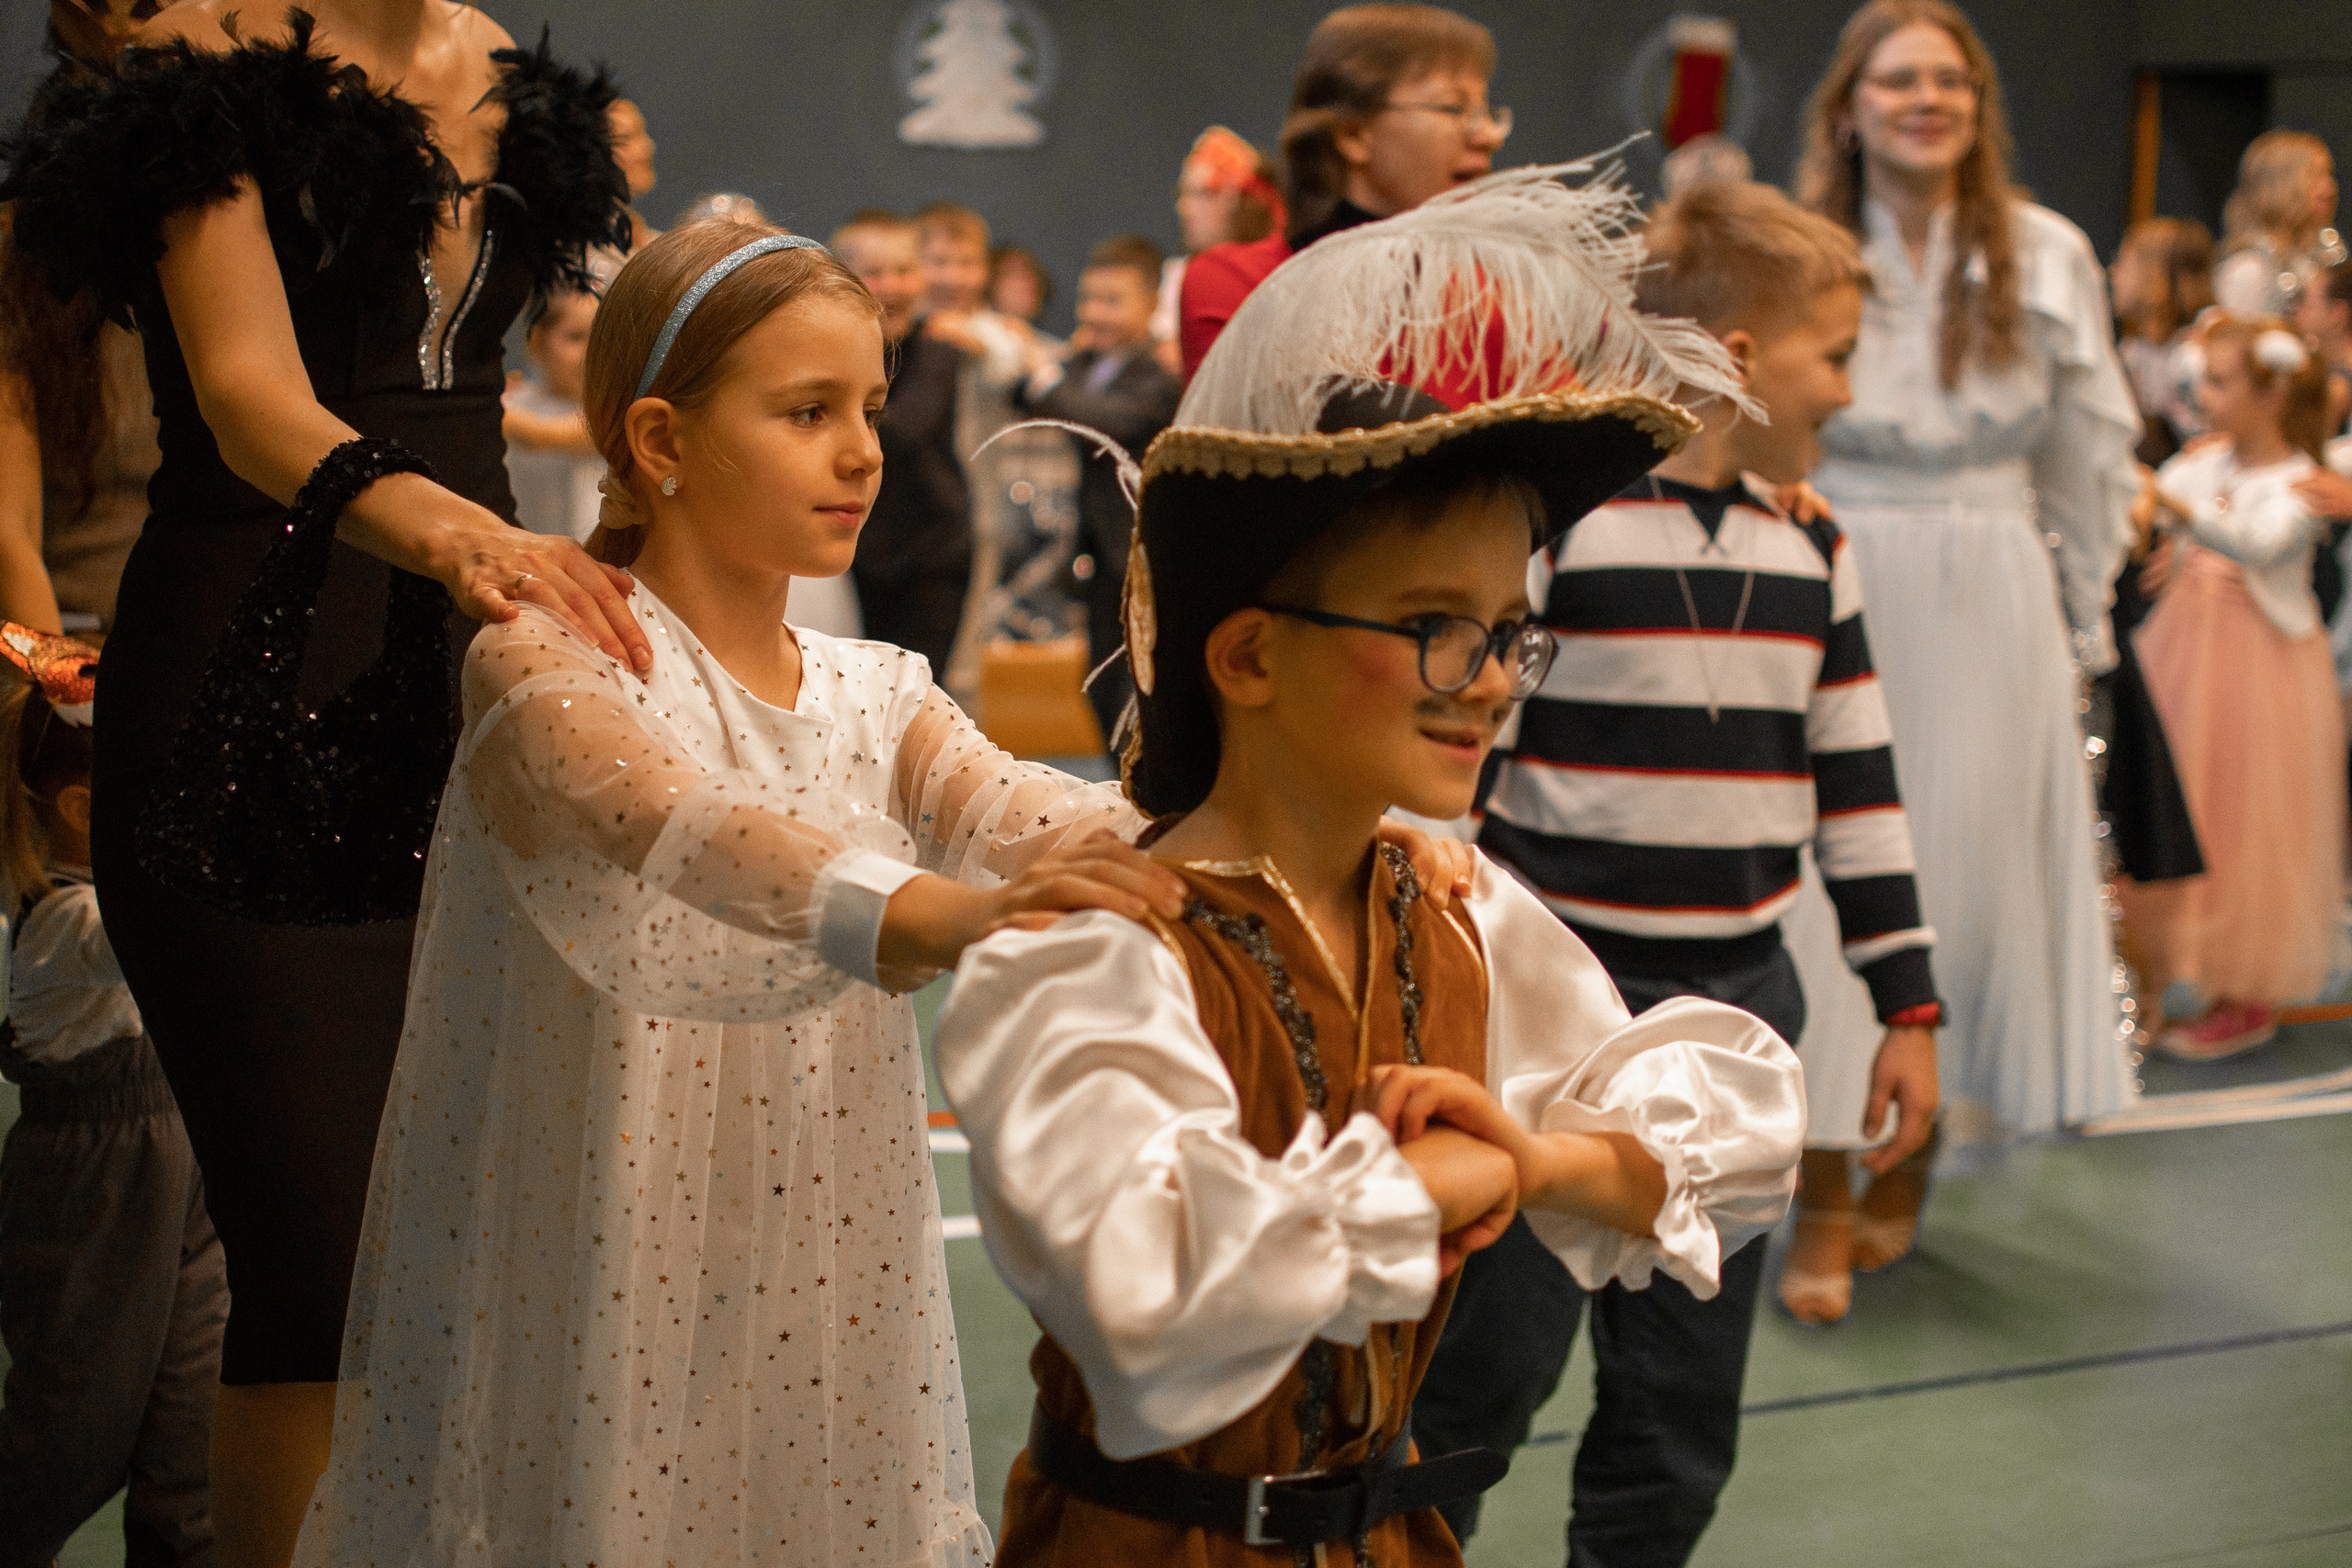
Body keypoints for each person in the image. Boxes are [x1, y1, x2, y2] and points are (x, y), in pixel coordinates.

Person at [935, 164, 1805, 1568]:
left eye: (1509, 630)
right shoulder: (1093, 949)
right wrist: (1449, 1185)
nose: (1491, 679)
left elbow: (1743, 1123)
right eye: (1433, 625)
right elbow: (1151, 1294)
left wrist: (1535, 1155)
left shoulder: (1452, 904)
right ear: (1249, 653)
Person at [1, 6, 649, 1562]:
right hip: (249, 691)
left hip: (486, 695)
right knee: (316, 1267)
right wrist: (476, 543)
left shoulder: (497, 61)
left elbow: (547, 363)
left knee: (470, 1259)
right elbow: (248, 398)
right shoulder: (198, 62)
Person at [1419, 182, 1937, 1568]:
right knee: (1484, 1368)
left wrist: (1909, 1005)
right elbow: (1463, 755)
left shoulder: (1813, 545)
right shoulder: (1565, 529)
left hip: (1736, 1011)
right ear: (1743, 360)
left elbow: (1861, 791)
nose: (1848, 388)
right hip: (1555, 1008)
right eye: (1835, 354)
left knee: (1681, 1397)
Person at [1785, 0, 2141, 1178]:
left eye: (1950, 80)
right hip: (1839, 565)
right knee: (1827, 860)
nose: (1926, 100)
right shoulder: (1804, 248)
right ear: (1849, 108)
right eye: (1898, 80)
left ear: (1979, 106)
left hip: (1995, 585)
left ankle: (1915, 1163)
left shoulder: (2047, 252)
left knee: (1976, 875)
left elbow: (2085, 456)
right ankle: (1823, 1168)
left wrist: (2084, 614)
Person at [0, 622, 227, 1567]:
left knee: (192, 1429)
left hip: (185, 1161)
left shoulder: (109, 903)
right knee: (73, 1428)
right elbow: (156, 931)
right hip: (94, 1183)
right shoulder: (63, 921)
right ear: (84, 809)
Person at [2124, 316, 2345, 1058]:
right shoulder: (2204, 463)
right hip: (2187, 652)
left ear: (2271, 395)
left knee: (2252, 818)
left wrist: (2173, 510)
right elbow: (2153, 501)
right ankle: (2157, 973)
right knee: (2181, 799)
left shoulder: (2302, 483)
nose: (2202, 398)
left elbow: (2260, 543)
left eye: (2219, 383)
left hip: (2262, 667)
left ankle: (2244, 990)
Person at [1177, 3, 1509, 377]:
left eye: (1487, 113)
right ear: (1353, 135)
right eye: (1456, 109)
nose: (1489, 136)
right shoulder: (1241, 287)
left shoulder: (1493, 302)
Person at [1015, 233, 1182, 743]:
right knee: (1101, 685)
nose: (1094, 313)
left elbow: (1101, 419)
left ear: (1151, 305)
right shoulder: (1085, 365)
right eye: (1088, 299)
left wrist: (1043, 374)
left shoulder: (1159, 376)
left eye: (1113, 301)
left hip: (1141, 553)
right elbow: (1029, 394)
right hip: (1096, 553)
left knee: (1137, 687)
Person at [835, 208, 971, 671]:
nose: (892, 286)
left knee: (916, 686)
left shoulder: (939, 352)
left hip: (932, 553)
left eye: (904, 271)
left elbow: (904, 431)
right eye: (874, 273)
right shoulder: (834, 355)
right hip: (857, 549)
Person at [1152, 125, 1283, 373]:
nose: (1184, 208)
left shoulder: (1280, 272)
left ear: (1246, 201)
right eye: (1183, 193)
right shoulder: (1179, 274)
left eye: (1205, 193)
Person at [2111, 216, 2215, 464]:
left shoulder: (2198, 351)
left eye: (2123, 263)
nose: (2112, 271)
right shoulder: (2132, 353)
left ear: (2154, 276)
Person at [503, 288, 602, 542]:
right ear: (537, 342)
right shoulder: (518, 401)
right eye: (576, 337)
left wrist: (490, 412)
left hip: (598, 556)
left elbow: (543, 435)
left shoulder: (616, 409)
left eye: (602, 337)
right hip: (527, 549)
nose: (592, 351)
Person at [2212, 130, 2342, 320]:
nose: (2329, 187)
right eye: (2316, 175)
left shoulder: (2314, 258)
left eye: (2329, 174)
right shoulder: (2250, 269)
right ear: (2280, 183)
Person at [2295, 258, 2351, 435]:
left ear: (2337, 314)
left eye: (2306, 303)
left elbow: (2303, 439)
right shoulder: (2328, 366)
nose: (2297, 309)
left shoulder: (2339, 387)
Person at [989, 242, 1055, 327]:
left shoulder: (1040, 335)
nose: (1030, 279)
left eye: (1033, 271)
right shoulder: (974, 329)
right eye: (1015, 272)